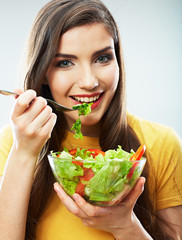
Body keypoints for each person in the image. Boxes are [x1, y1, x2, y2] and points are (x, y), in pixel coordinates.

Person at [0, 0, 182, 239]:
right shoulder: (13, 144)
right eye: (65, 63)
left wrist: (125, 226)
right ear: (43, 72)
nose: (89, 81)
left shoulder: (161, 143)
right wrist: (24, 152)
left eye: (102, 58)